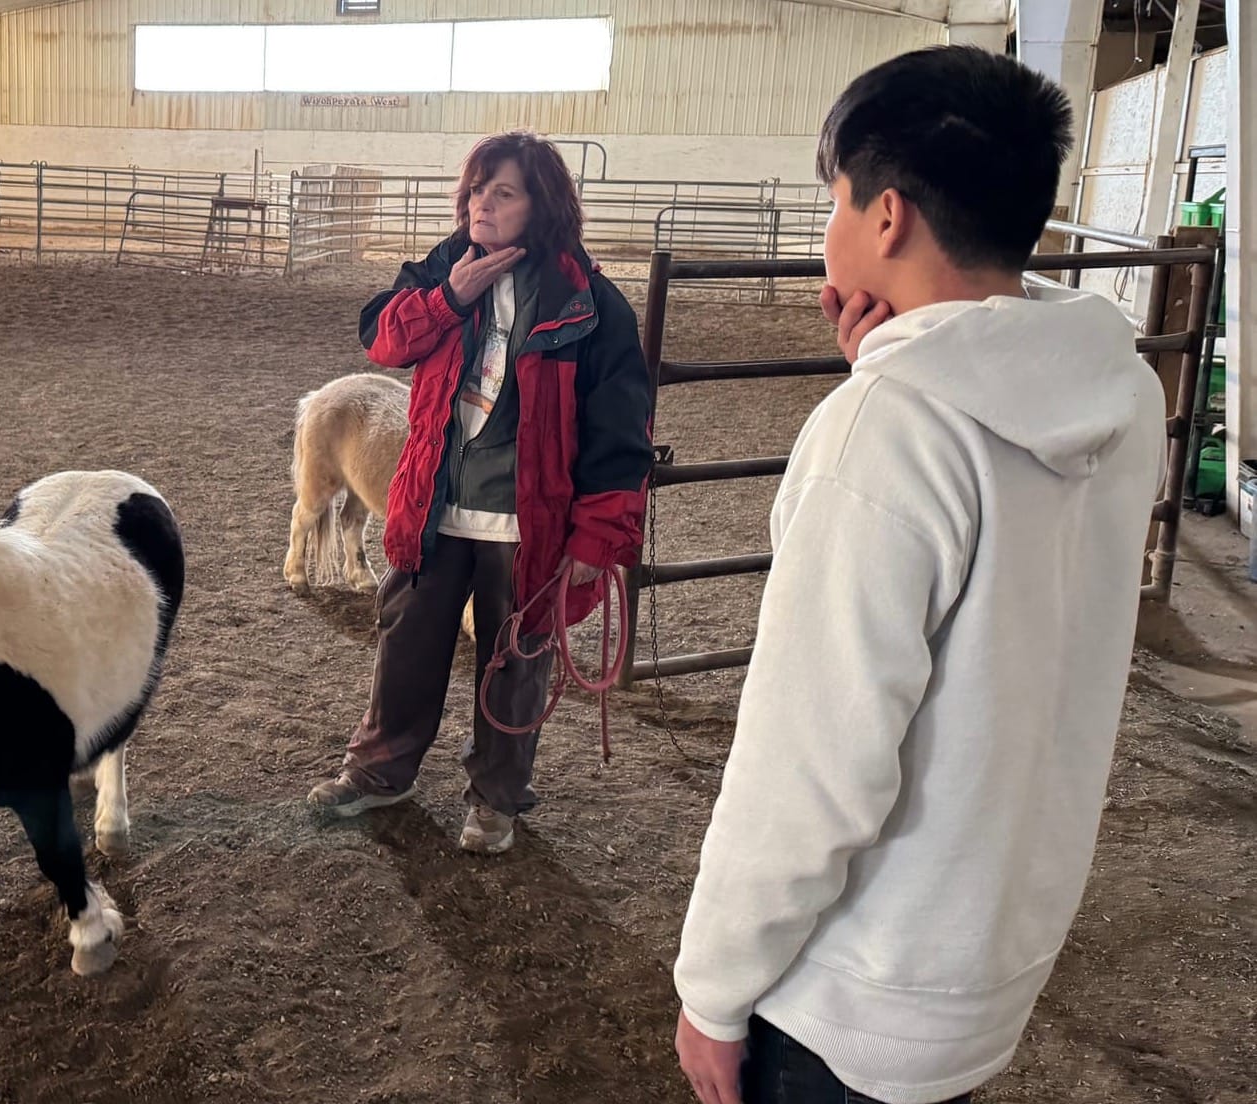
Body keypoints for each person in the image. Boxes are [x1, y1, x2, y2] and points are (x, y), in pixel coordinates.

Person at [671, 45, 1166, 1104]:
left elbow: (811, 759)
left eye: (835, 203)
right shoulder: (1118, 397)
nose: (830, 231)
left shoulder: (885, 436)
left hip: (847, 997)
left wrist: (711, 990)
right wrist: (888, 372)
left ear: (885, 216)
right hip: (980, 971)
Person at [307, 131, 655, 854]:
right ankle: (380, 771)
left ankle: (496, 797)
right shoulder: (447, 267)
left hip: (529, 521)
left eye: (503, 191)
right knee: (405, 643)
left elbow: (621, 434)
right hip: (436, 503)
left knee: (516, 659)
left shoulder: (591, 304)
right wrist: (446, 298)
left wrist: (596, 540)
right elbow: (384, 340)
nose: (481, 203)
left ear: (543, 204)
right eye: (475, 189)